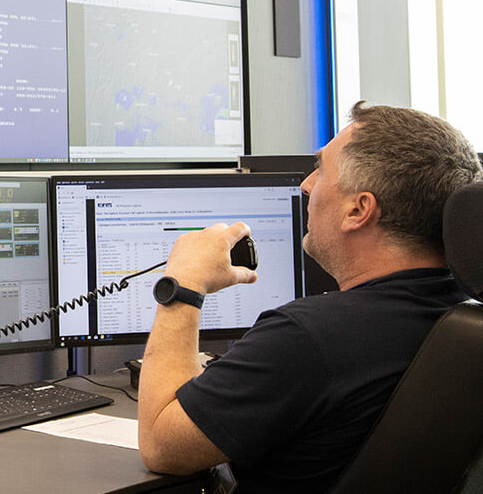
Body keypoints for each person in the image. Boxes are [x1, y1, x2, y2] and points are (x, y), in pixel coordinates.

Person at [138, 102, 481, 493]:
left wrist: (183, 286)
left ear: (358, 209)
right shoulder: (463, 318)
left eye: (320, 169)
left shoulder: (309, 338)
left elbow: (161, 445)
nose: (305, 184)